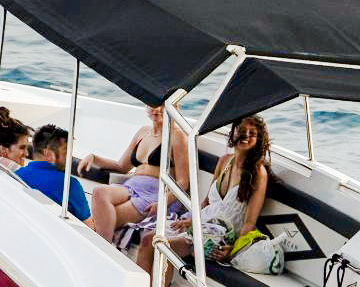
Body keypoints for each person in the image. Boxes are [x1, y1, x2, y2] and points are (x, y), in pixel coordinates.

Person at [137, 115, 269, 276]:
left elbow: (249, 222)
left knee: (165, 246)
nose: (245, 135)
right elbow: (207, 202)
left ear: (259, 140)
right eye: (241, 130)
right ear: (233, 132)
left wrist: (233, 249)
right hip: (202, 225)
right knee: (147, 239)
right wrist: (191, 221)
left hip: (221, 236)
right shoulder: (225, 161)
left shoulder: (258, 172)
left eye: (252, 133)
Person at [84, 105, 191, 240]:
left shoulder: (177, 136)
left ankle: (103, 251)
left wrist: (162, 203)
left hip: (156, 192)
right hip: (133, 186)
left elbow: (183, 182)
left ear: (174, 107)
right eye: (152, 104)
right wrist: (94, 158)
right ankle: (104, 248)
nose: (156, 109)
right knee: (99, 192)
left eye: (162, 106)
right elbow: (122, 166)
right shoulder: (143, 132)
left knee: (100, 222)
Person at [16, 124, 103, 233]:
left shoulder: (16, 175)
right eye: (65, 151)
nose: (69, 157)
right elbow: (90, 229)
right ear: (48, 154)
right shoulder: (69, 185)